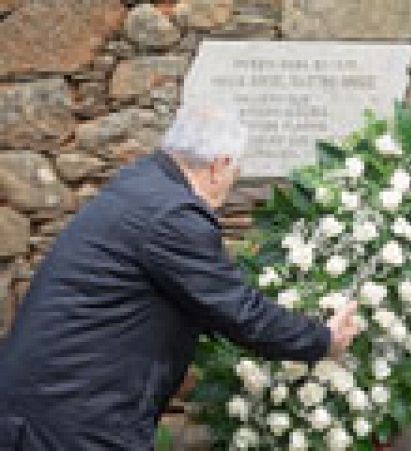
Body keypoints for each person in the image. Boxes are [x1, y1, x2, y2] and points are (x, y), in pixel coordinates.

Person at [0, 104, 359, 449]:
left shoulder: (141, 185)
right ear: (219, 166)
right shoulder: (171, 216)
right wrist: (323, 339)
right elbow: (238, 311)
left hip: (49, 405)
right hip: (75, 418)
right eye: (235, 174)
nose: (231, 184)